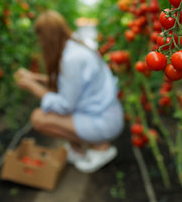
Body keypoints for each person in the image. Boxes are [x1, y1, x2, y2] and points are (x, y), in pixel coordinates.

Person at [14, 10, 124, 173]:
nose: (40, 43)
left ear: (48, 37)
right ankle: (79, 150)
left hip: (103, 122)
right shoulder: (77, 46)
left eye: (41, 38)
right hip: (107, 114)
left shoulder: (71, 59)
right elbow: (69, 83)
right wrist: (34, 77)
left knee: (39, 118)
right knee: (48, 115)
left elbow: (65, 106)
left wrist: (32, 87)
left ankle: (100, 148)